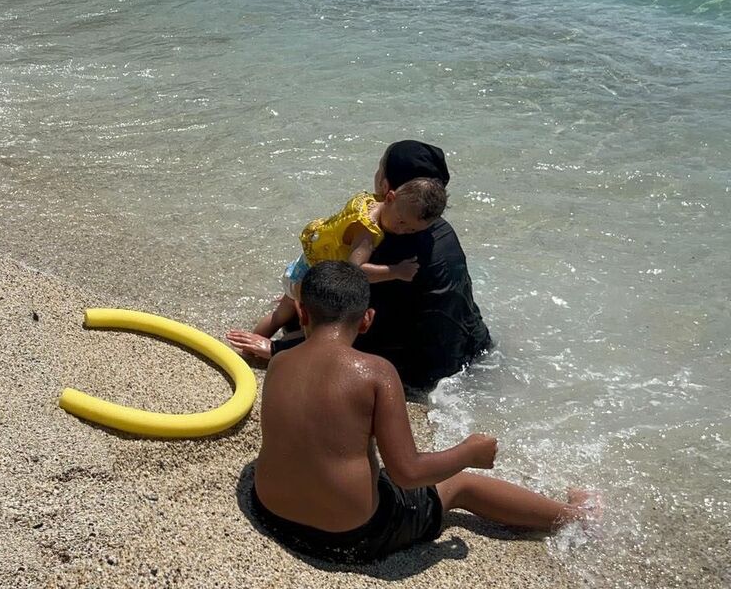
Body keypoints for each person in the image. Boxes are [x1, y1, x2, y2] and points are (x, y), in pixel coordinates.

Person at [250, 261, 594, 564]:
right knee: (459, 485)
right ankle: (577, 515)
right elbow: (408, 474)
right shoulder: (376, 372)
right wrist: (468, 453)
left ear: (303, 312)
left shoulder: (279, 361)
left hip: (271, 513)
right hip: (347, 536)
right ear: (367, 320)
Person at [228, 140, 492, 390]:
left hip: (417, 372)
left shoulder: (390, 240)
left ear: (386, 185)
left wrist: (277, 350)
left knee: (300, 320)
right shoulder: (437, 230)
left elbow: (363, 323)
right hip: (472, 349)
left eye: (379, 167)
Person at [230, 172, 447, 362]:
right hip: (312, 278)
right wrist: (396, 271)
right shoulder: (367, 232)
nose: (402, 230)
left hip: (302, 265)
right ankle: (277, 355)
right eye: (401, 222)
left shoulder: (369, 201)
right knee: (315, 330)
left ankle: (247, 352)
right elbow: (355, 270)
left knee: (280, 315)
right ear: (390, 197)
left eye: (411, 230)